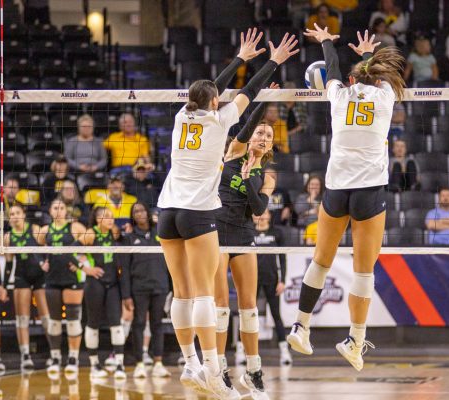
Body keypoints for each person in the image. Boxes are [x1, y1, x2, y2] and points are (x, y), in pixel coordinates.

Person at [156, 27, 298, 399]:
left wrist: (237, 59)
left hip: (166, 210)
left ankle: (191, 363)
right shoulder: (220, 122)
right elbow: (247, 93)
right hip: (197, 213)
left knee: (182, 295)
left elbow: (206, 93)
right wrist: (271, 62)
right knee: (205, 297)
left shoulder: (179, 118)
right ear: (216, 101)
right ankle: (216, 374)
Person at [287, 27, 405, 371]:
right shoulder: (385, 99)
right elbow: (370, 76)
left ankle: (301, 325)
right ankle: (354, 340)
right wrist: (368, 53)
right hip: (369, 191)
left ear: (351, 83)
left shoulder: (338, 97)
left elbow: (333, 70)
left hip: (336, 188)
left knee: (321, 262)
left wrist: (327, 41)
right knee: (363, 270)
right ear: (375, 80)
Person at [215, 83, 279, 398]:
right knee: (219, 307)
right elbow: (248, 125)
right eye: (259, 133)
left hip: (242, 234)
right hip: (215, 232)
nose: (262, 137)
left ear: (270, 147)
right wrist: (264, 101)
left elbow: (258, 209)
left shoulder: (266, 175)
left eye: (268, 136)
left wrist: (251, 173)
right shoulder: (234, 151)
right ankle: (219, 370)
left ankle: (253, 372)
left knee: (249, 307)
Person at [36, 198, 94, 378]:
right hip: (52, 278)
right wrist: (41, 263)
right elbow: (37, 252)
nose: (59, 210)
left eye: (62, 208)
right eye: (55, 207)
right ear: (50, 211)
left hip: (72, 278)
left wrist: (80, 262)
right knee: (54, 321)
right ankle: (55, 358)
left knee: (73, 321)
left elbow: (90, 243)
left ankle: (73, 358)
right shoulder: (44, 231)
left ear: (66, 211)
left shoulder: (75, 227)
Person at [121, 202, 171, 379]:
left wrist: (172, 288)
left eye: (142, 210)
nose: (139, 213)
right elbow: (125, 268)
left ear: (148, 212)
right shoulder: (129, 237)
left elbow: (172, 260)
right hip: (139, 288)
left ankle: (158, 362)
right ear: (132, 216)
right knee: (139, 324)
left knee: (157, 325)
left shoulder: (160, 231)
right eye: (135, 211)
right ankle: (139, 363)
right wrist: (126, 295)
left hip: (160, 286)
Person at [3, 204, 50, 370]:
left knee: (45, 317)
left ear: (23, 214)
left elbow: (47, 249)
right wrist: (3, 285)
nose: (14, 216)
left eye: (17, 212)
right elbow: (8, 264)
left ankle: (54, 353)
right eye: (11, 214)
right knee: (22, 318)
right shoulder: (8, 237)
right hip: (21, 276)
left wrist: (47, 262)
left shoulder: (35, 229)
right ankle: (25, 355)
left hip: (39, 276)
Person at [83, 207, 127, 380]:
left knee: (116, 323)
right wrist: (86, 268)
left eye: (112, 217)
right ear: (96, 218)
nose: (110, 219)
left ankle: (119, 365)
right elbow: (70, 252)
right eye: (106, 216)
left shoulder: (115, 234)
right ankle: (94, 365)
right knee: (92, 322)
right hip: (95, 283)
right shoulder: (90, 234)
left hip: (113, 284)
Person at [253, 209, 292, 366]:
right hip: (252, 280)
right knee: (247, 315)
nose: (261, 216)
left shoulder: (277, 233)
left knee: (276, 315)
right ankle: (242, 352)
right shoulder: (248, 232)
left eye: (264, 213)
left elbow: (282, 258)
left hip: (271, 279)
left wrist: (282, 280)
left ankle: (284, 352)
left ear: (269, 216)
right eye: (258, 213)